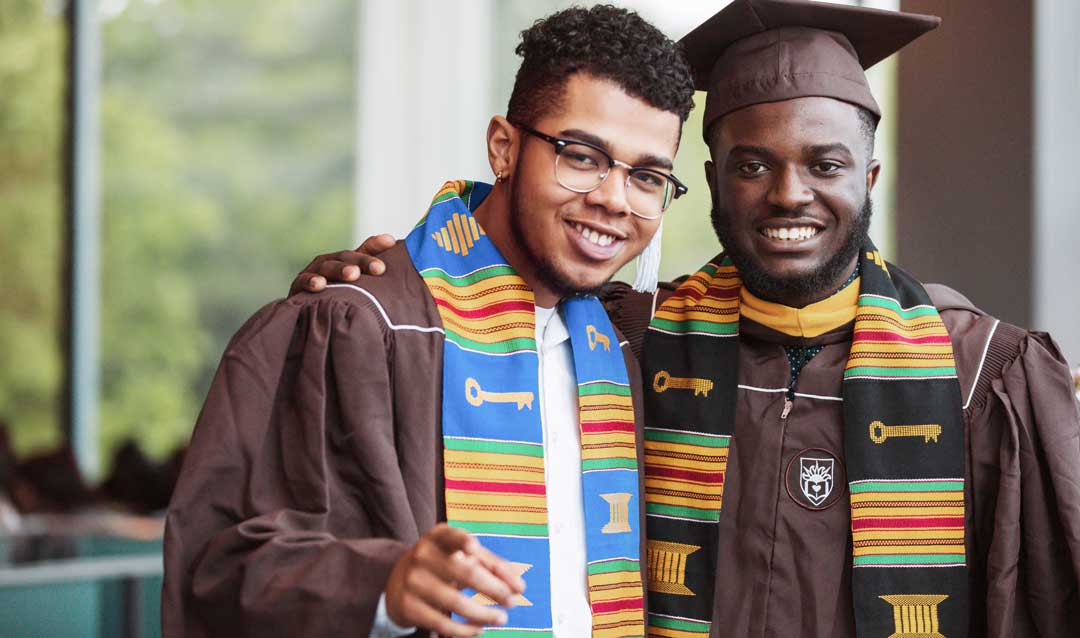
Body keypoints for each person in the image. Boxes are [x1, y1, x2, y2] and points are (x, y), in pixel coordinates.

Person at [294, 1, 1080, 637]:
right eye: (752, 165)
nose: (788, 194)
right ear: (709, 181)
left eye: (827, 164)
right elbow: (485, 293)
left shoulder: (984, 374)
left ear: (868, 175)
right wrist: (379, 282)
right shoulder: (622, 343)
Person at [163, 6, 696, 638]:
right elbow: (219, 565)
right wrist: (381, 585)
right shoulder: (355, 325)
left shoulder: (631, 345)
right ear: (503, 147)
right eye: (581, 156)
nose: (614, 197)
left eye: (648, 177)